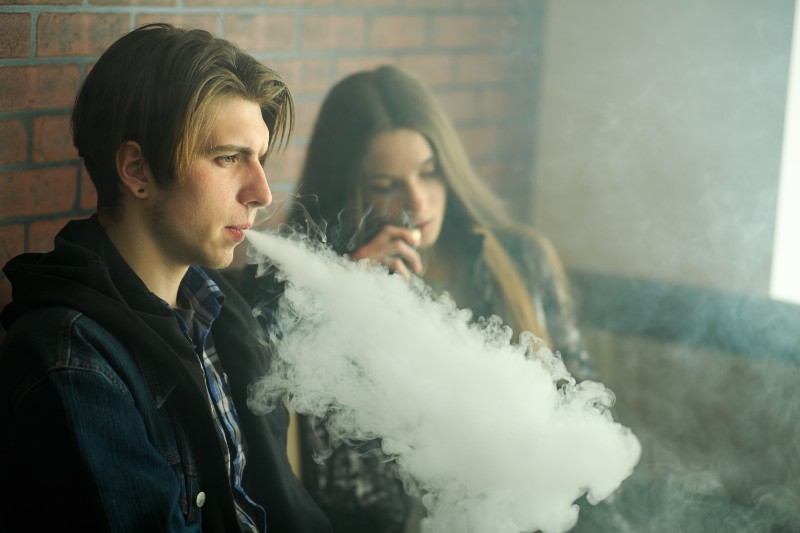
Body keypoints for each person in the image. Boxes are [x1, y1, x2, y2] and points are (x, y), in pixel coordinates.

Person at [234, 65, 598, 533]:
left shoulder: (521, 260)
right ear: (345, 190)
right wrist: (345, 297)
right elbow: (294, 444)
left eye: (430, 174)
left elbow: (585, 398)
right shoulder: (303, 292)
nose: (420, 204)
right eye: (386, 187)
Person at [0, 23, 333, 533]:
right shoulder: (73, 362)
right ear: (137, 170)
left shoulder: (217, 310)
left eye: (259, 159)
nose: (262, 192)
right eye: (227, 158)